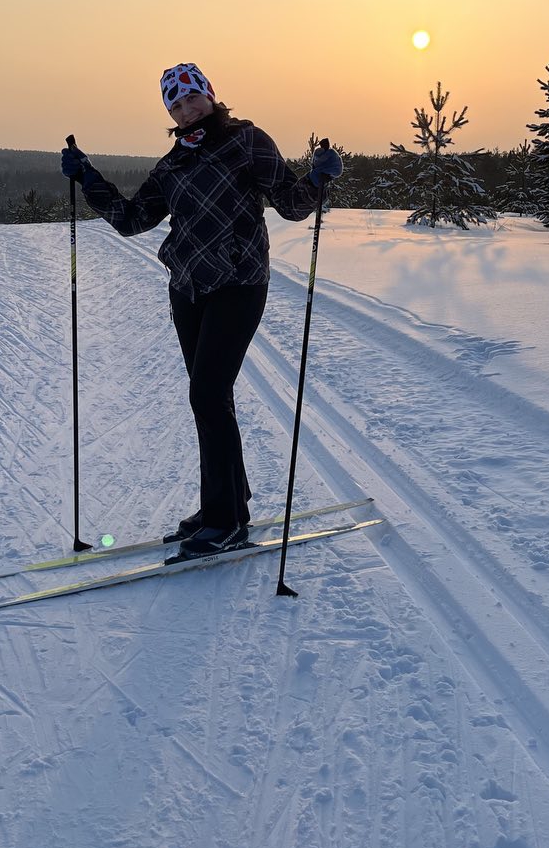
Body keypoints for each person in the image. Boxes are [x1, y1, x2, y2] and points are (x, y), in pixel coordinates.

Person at [62, 63, 343, 562]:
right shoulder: (173, 164)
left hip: (239, 282)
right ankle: (229, 504)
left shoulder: (247, 140)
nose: (185, 109)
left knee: (208, 394)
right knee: (210, 400)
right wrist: (88, 177)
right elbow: (133, 219)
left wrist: (319, 176)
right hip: (187, 289)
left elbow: (292, 204)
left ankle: (224, 521)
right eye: (175, 104)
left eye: (191, 98)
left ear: (210, 96)